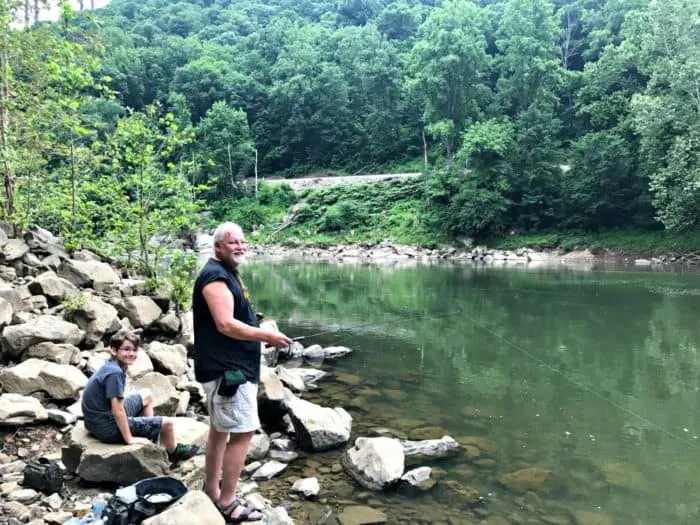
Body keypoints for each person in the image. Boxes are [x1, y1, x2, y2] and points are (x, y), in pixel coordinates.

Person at [193, 222, 292, 523]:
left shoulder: (227, 273)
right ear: (218, 247)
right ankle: (227, 501)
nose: (240, 246)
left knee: (220, 431)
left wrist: (256, 323)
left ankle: (212, 491)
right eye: (232, 242)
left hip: (231, 368)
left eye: (242, 242)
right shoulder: (215, 277)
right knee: (243, 432)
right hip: (228, 373)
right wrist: (268, 337)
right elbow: (225, 324)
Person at [81, 330, 200, 462]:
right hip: (107, 427)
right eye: (126, 349)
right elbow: (118, 410)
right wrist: (129, 439)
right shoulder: (114, 373)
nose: (131, 354)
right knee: (168, 424)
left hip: (96, 420)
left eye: (134, 350)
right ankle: (173, 452)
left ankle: (150, 437)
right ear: (114, 351)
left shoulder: (113, 365)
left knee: (147, 395)